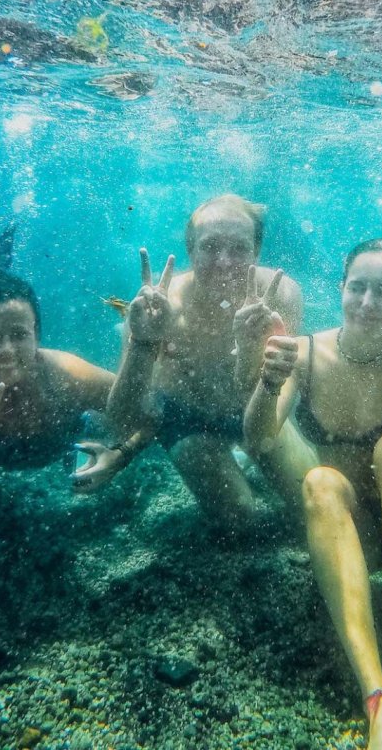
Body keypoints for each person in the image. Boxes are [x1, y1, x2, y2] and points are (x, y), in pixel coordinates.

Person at [244, 239, 382, 750]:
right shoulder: (304, 353)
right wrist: (267, 381)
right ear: (341, 289)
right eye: (357, 287)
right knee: (319, 481)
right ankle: (377, 694)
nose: (367, 303)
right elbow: (258, 439)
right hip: (351, 538)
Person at [108, 194, 303, 530]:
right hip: (189, 421)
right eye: (210, 246)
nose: (223, 262)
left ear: (257, 252)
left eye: (239, 249)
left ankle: (243, 457)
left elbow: (264, 395)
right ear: (190, 250)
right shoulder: (157, 308)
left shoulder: (281, 295)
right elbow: (122, 418)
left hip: (254, 413)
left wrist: (250, 350)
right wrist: (142, 343)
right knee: (240, 517)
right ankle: (224, 461)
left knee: (309, 505)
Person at [0, 224, 151, 490]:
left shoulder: (67, 374)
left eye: (19, 335)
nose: (6, 351)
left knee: (104, 422)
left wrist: (120, 455)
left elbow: (150, 413)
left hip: (67, 441)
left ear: (38, 335)